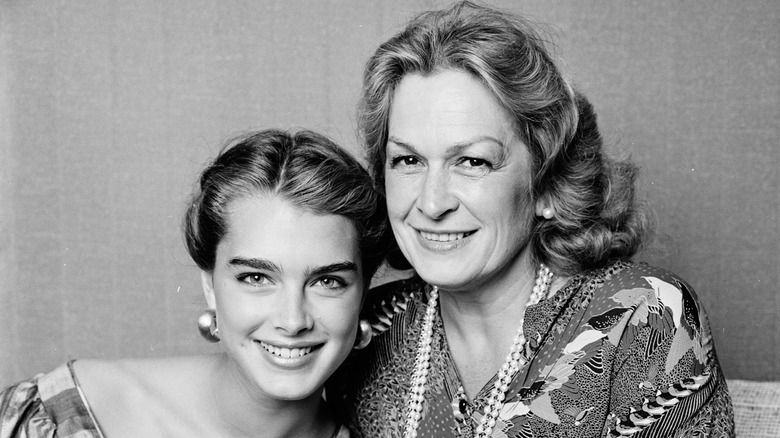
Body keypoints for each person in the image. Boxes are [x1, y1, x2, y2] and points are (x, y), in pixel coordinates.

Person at [329, 2, 734, 437]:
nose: (431, 203)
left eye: (472, 161)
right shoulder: (372, 326)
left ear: (546, 183)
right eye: (407, 159)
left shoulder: (640, 318)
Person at [0, 129, 388, 438]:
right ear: (209, 285)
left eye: (328, 281)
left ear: (363, 292)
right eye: (256, 277)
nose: (292, 320)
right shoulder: (70, 414)